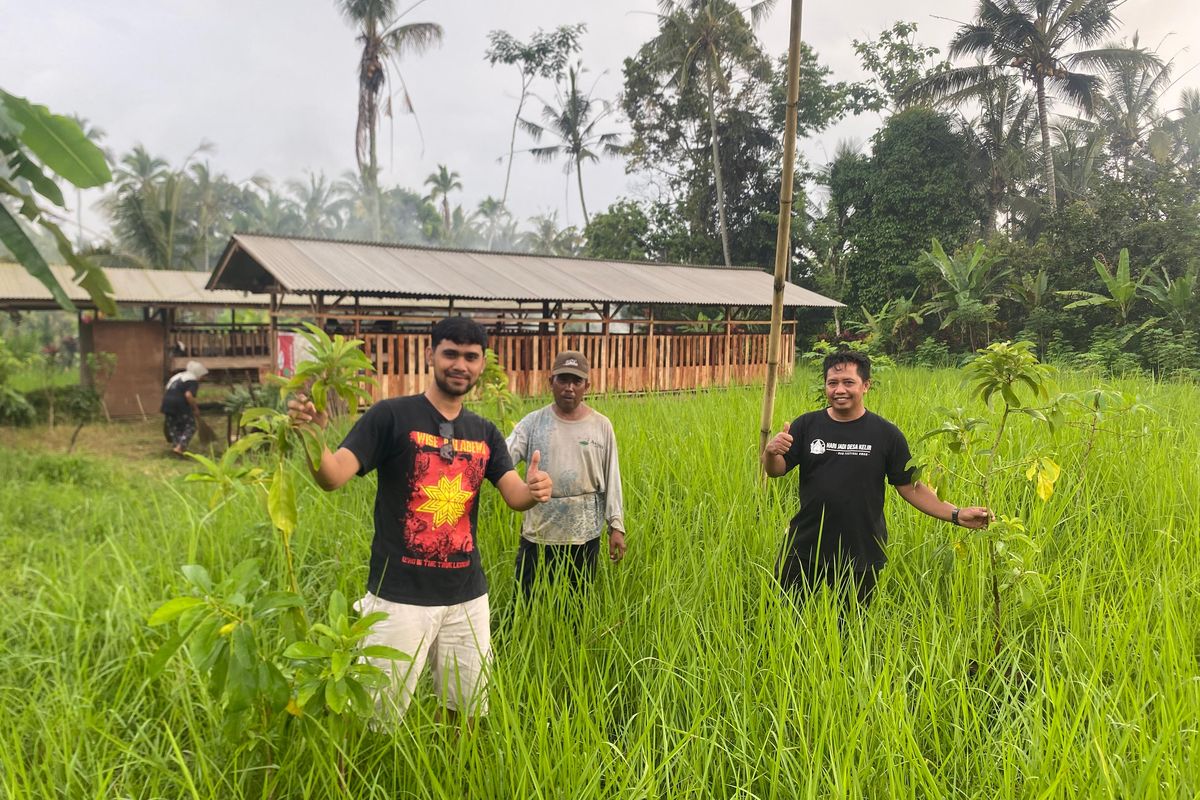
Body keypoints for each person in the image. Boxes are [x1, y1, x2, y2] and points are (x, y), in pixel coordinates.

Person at [287, 316, 551, 722]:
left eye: (470, 357)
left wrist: (533, 492)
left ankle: (456, 778)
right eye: (450, 354)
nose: (460, 365)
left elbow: (513, 493)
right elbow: (333, 475)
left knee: (466, 711)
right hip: (398, 598)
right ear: (431, 355)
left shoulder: (484, 432)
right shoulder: (390, 416)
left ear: (482, 364)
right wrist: (313, 436)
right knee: (376, 716)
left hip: (467, 596)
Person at [761, 350, 990, 608]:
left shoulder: (886, 434)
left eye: (849, 382)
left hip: (861, 549)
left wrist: (957, 514)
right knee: (782, 618)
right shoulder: (807, 425)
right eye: (832, 383)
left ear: (866, 385)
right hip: (804, 546)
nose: (839, 390)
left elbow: (910, 487)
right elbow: (776, 470)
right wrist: (770, 453)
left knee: (850, 631)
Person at [506, 350, 626, 597]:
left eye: (576, 381)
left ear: (587, 386)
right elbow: (501, 461)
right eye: (563, 379)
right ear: (551, 382)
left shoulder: (601, 426)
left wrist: (616, 526)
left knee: (577, 604)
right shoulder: (532, 423)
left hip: (585, 534)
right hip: (539, 532)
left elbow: (612, 477)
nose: (569, 387)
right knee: (526, 601)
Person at [161, 360, 207, 455]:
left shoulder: (177, 377)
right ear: (198, 374)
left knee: (173, 426)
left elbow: (167, 389)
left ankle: (176, 447)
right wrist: (195, 409)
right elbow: (188, 395)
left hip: (167, 403)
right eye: (202, 376)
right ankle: (180, 447)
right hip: (180, 404)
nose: (202, 378)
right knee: (191, 426)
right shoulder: (192, 380)